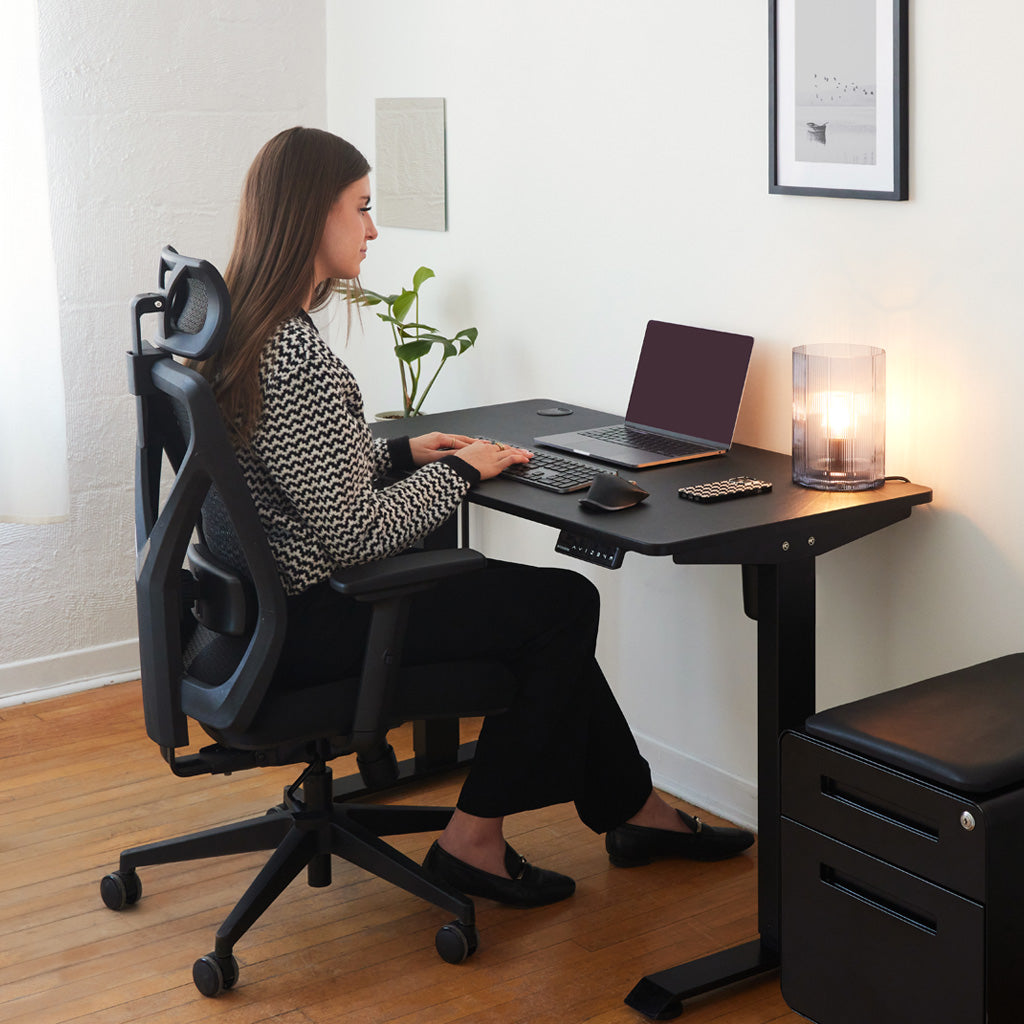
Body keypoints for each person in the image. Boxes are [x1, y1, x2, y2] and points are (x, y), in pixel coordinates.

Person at [195, 126, 753, 908]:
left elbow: (291, 476)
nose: (373, 228)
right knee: (562, 608)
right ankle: (474, 840)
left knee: (539, 616)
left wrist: (404, 453)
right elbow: (356, 535)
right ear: (312, 215)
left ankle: (636, 812)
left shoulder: (235, 332)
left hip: (254, 620)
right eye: (361, 208)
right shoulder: (292, 353)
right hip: (315, 621)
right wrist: (463, 468)